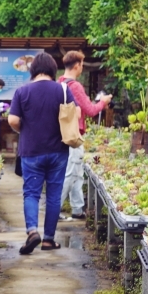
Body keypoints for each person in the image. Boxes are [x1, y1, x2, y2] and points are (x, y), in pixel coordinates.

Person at [7, 52, 68, 254]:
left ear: (33, 71)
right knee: (53, 195)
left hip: (31, 150)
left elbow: (12, 120)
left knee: (31, 193)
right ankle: (49, 240)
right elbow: (73, 116)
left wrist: (24, 128)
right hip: (58, 150)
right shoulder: (63, 90)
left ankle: (32, 231)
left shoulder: (22, 92)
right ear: (53, 70)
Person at [55, 51, 109, 220]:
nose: (82, 68)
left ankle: (78, 209)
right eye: (82, 64)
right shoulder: (75, 86)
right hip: (73, 135)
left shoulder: (59, 83)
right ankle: (54, 209)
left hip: (61, 133)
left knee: (77, 172)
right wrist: (103, 102)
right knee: (71, 172)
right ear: (77, 65)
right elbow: (91, 110)